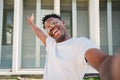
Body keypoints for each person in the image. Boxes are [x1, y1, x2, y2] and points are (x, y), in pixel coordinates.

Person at [27, 13, 119, 80]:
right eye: (47, 27)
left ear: (63, 22)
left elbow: (103, 62)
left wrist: (113, 68)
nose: (51, 27)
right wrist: (31, 23)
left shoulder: (80, 43)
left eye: (54, 23)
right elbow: (38, 32)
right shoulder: (50, 44)